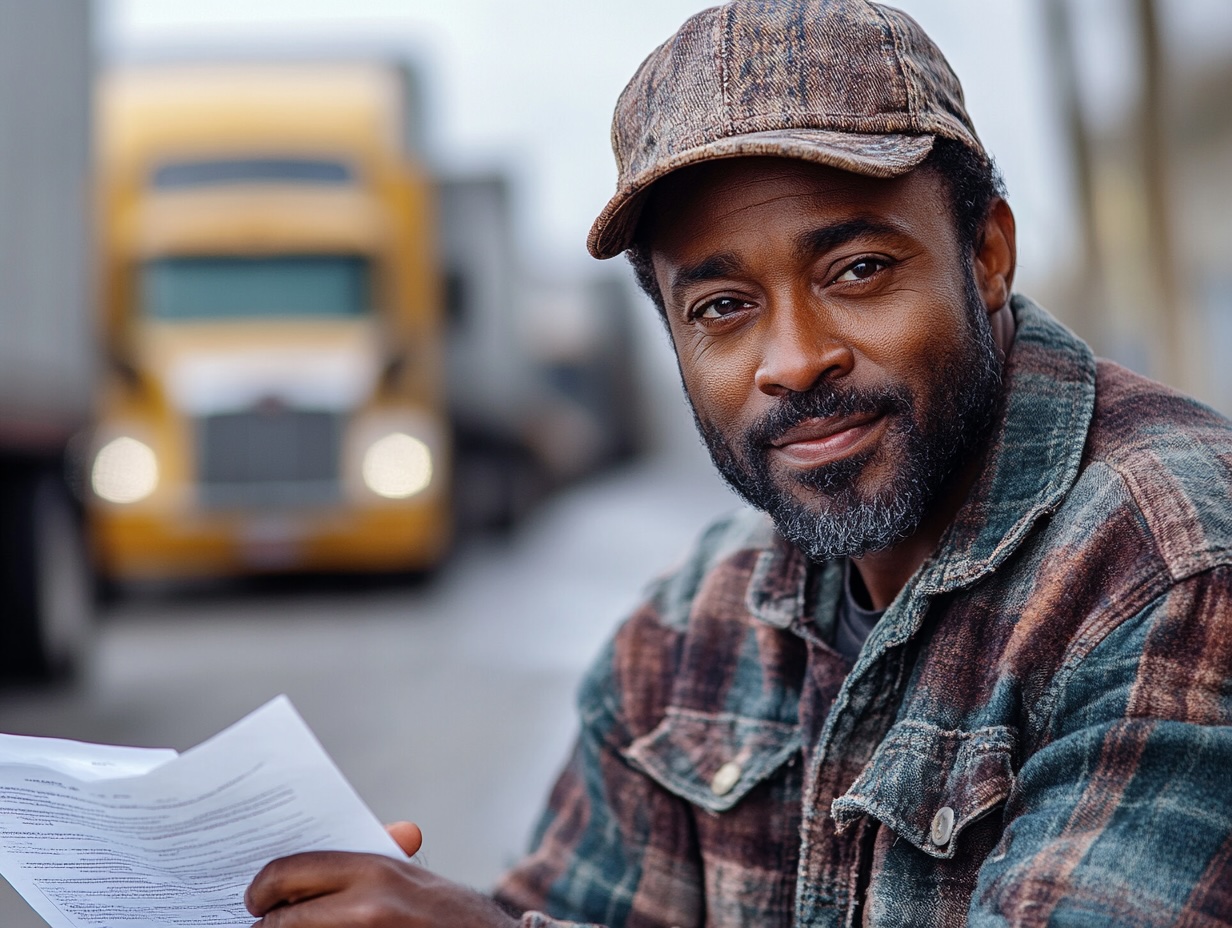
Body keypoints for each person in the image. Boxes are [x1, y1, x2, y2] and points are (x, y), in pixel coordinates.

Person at [244, 1, 1232, 925]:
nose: (793, 360)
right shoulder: (689, 630)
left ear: (986, 256)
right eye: (722, 307)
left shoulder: (1173, 566)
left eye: (857, 270)